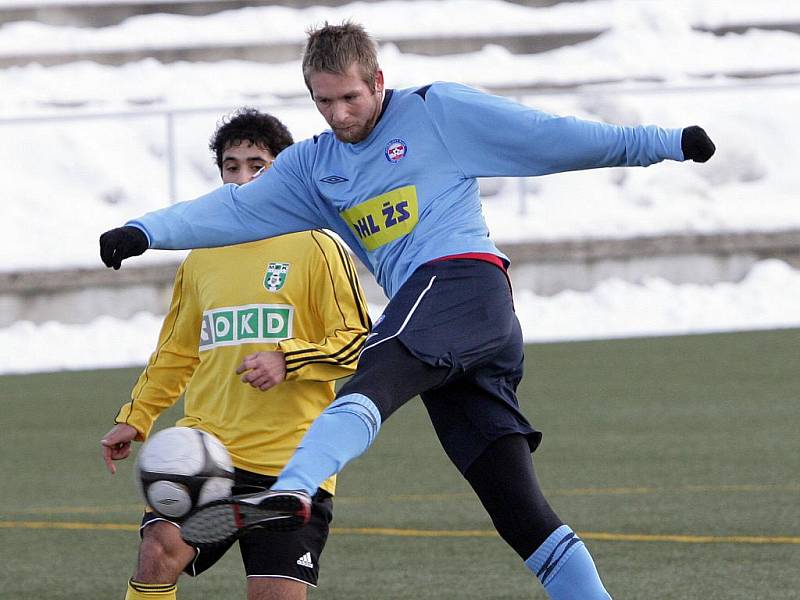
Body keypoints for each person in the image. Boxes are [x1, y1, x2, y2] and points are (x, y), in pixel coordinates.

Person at [99, 22, 716, 600]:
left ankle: (292, 488)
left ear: (377, 82)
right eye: (322, 103)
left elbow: (550, 138)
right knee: (517, 510)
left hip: (463, 283)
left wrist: (665, 142)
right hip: (447, 332)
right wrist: (143, 231)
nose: (339, 115)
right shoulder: (313, 166)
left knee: (375, 372)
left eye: (348, 98)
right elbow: (230, 212)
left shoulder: (435, 112)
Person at [100, 107, 370, 600]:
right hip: (207, 457)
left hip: (293, 466)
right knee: (158, 552)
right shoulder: (202, 253)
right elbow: (176, 352)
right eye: (231, 165)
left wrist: (287, 360)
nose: (243, 177)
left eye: (257, 164)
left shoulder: (317, 246)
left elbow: (358, 341)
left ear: (283, 169)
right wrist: (136, 418)